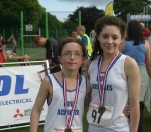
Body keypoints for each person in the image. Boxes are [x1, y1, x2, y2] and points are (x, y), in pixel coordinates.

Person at [86, 16, 140, 132]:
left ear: (121, 38)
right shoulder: (91, 63)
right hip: (94, 128)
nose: (109, 41)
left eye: (114, 37)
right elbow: (88, 95)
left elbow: (135, 105)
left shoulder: (129, 64)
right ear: (98, 37)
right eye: (105, 36)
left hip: (118, 128)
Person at [30, 37, 91, 132]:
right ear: (60, 58)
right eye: (67, 53)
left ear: (83, 59)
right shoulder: (49, 81)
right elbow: (36, 110)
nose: (72, 57)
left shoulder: (87, 83)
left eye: (77, 54)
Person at [120, 20, 151, 132]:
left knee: (126, 102)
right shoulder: (145, 43)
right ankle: (138, 128)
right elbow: (149, 62)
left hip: (126, 71)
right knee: (139, 102)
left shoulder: (123, 43)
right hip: (141, 73)